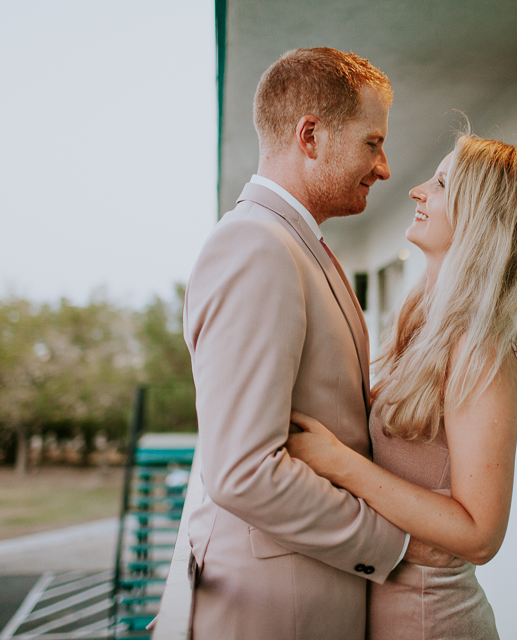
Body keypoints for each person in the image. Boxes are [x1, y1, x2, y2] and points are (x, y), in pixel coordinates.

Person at [182, 47, 448, 640]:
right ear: (311, 135)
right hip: (278, 610)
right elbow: (244, 471)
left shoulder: (298, 245)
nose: (385, 168)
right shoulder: (256, 245)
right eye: (371, 143)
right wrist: (396, 542)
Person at [287, 135, 517, 639]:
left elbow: (480, 535)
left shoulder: (481, 352)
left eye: (440, 183)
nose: (417, 190)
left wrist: (338, 463)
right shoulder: (425, 328)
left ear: (482, 216)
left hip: (428, 619)